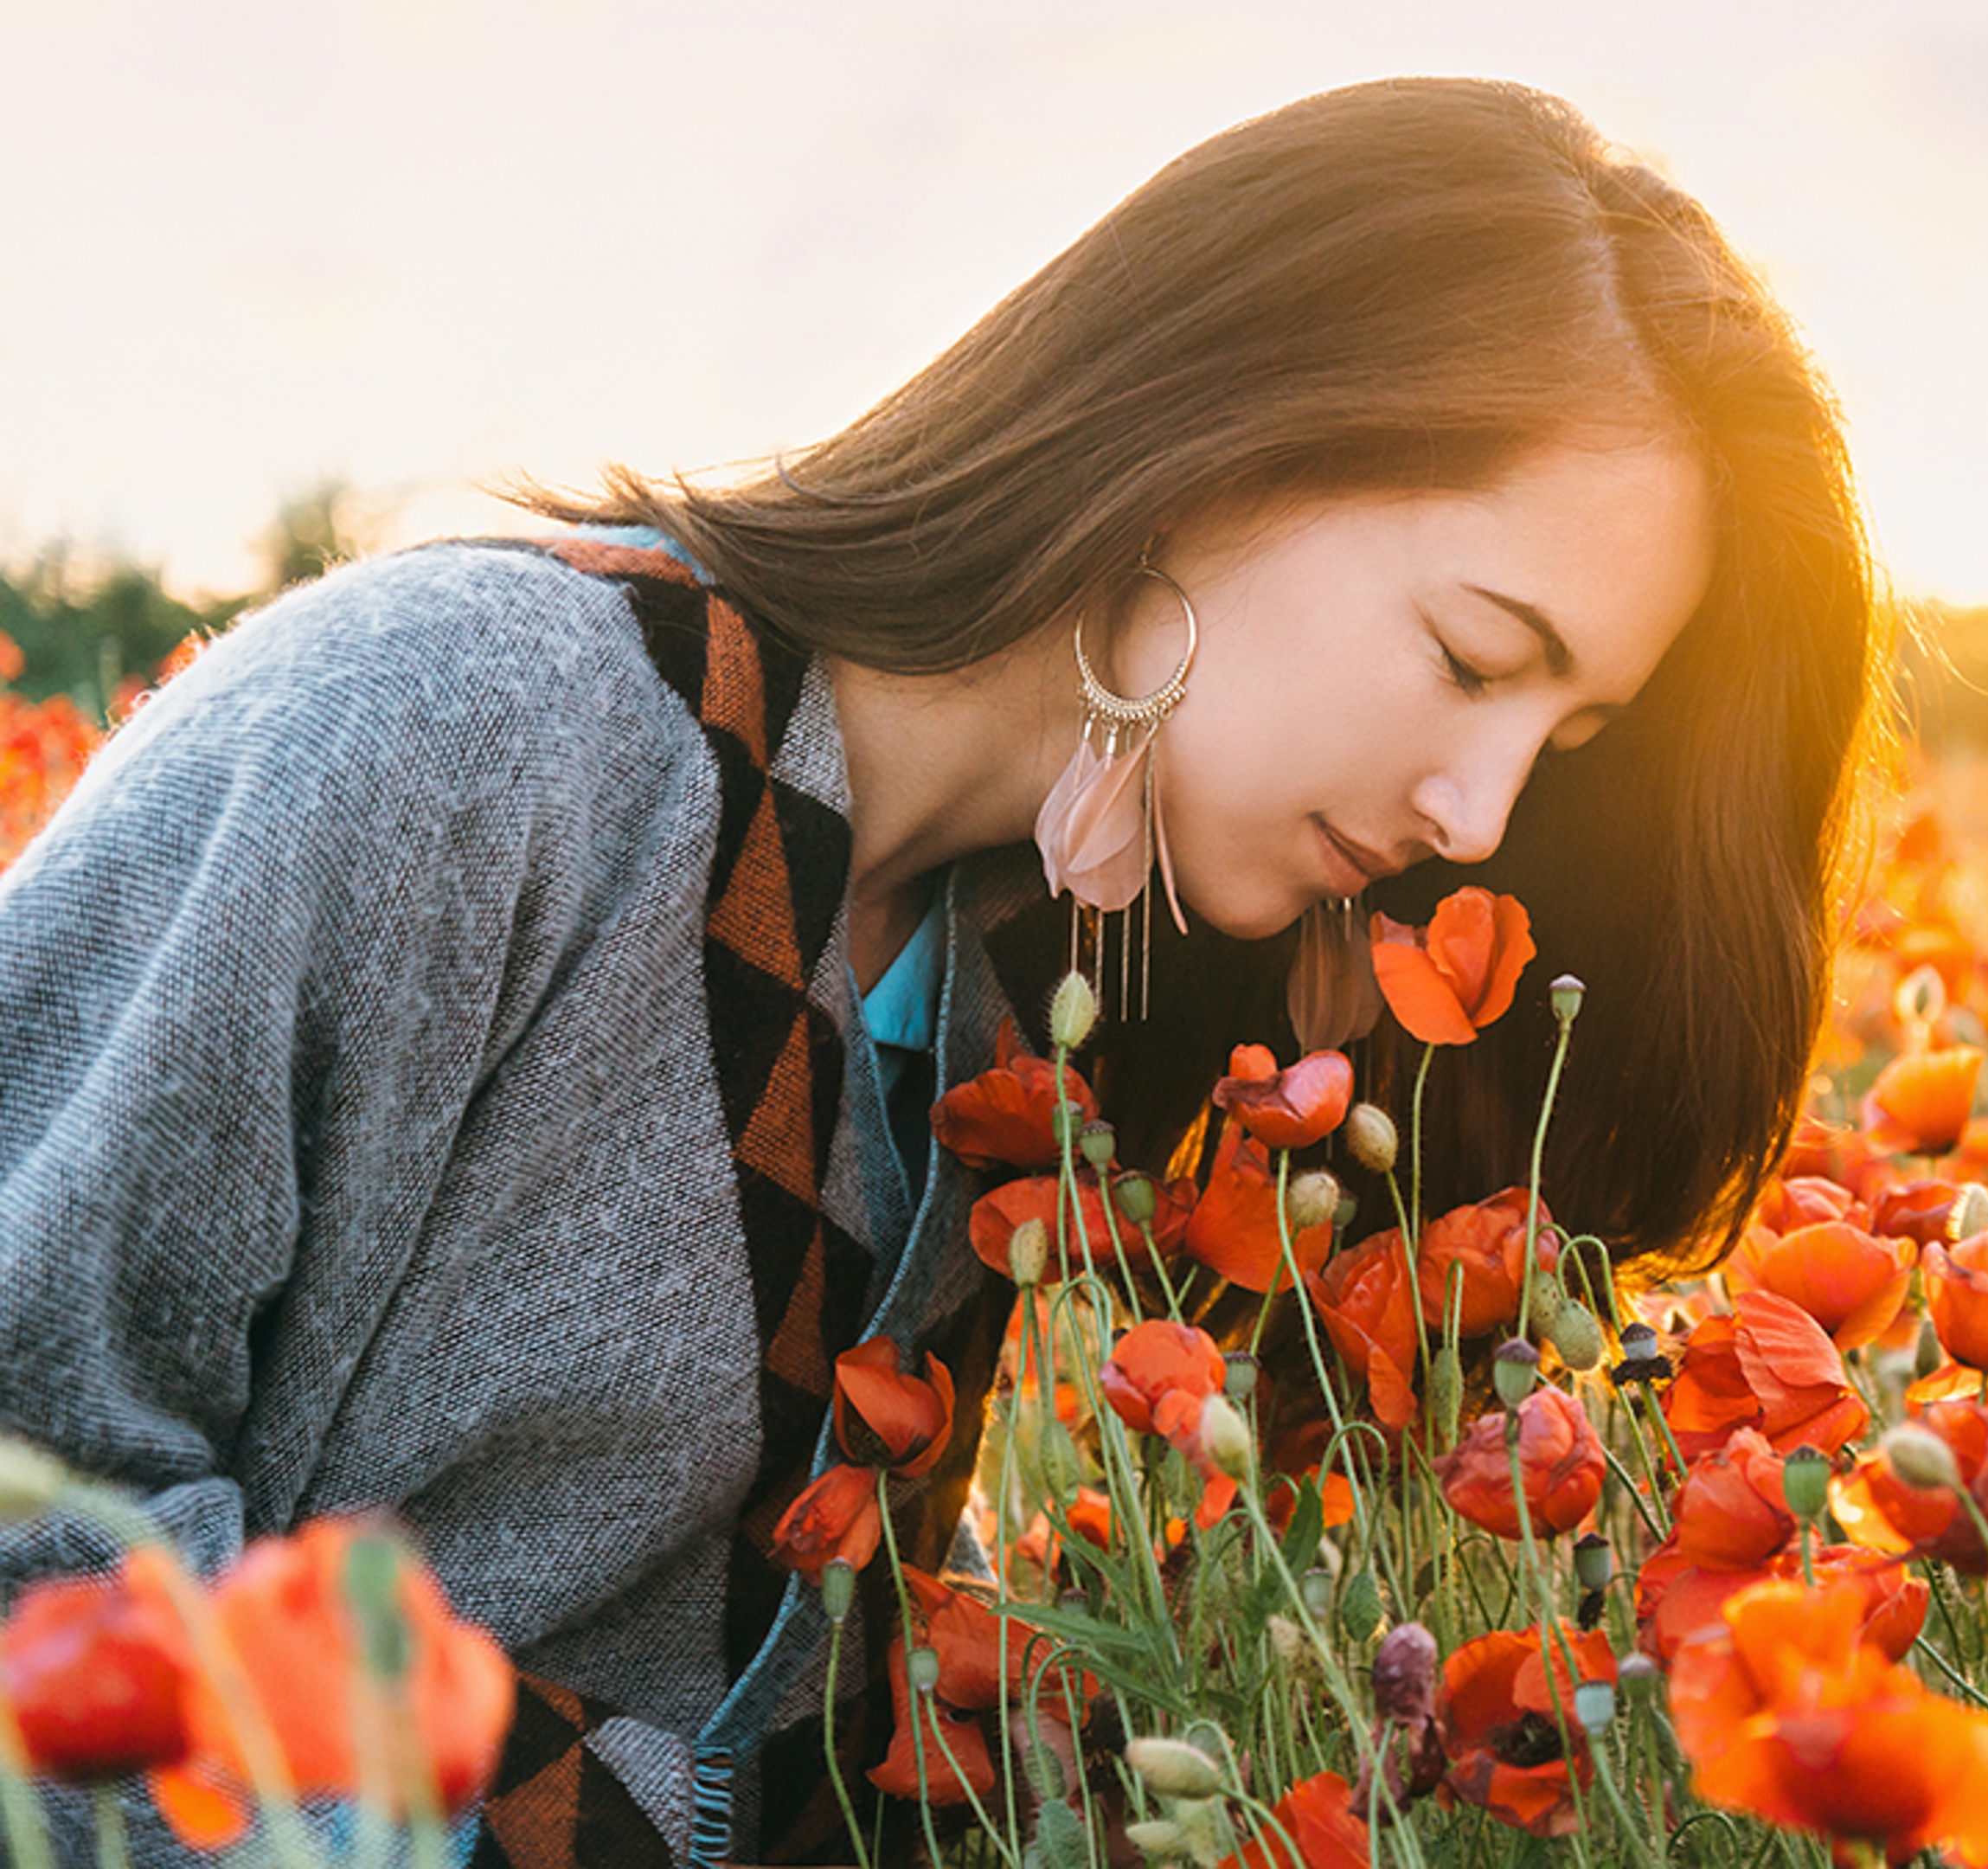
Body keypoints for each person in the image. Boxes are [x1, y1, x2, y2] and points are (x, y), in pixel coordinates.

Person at [0, 76, 1888, 1865]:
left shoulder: (1032, 968)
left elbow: (780, 1703)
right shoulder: (464, 728)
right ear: (1208, 450)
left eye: (1563, 744)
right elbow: (26, 1527)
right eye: (1478, 659)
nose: (1479, 814)